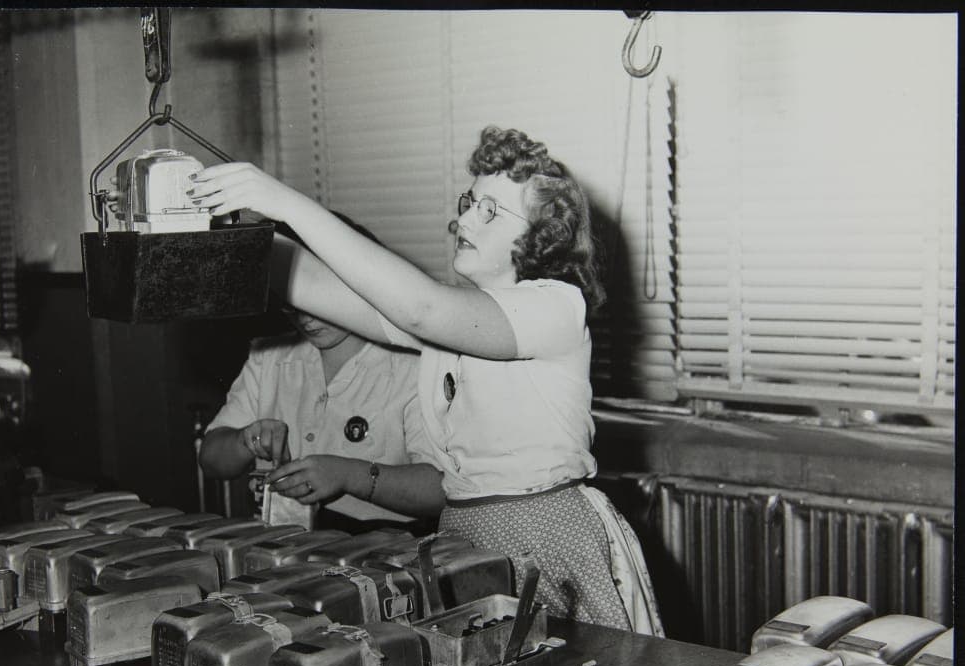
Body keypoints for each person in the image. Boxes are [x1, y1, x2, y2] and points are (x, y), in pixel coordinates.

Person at [190, 125, 663, 634]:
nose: (464, 219)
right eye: (469, 203)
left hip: (546, 540)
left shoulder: (555, 306)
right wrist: (232, 230)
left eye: (490, 211)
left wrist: (284, 202)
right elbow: (322, 289)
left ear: (541, 236)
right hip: (467, 535)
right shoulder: (457, 318)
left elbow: (420, 308)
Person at [198, 301, 445, 532]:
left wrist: (348, 475)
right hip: (282, 539)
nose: (307, 320)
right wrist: (246, 440)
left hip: (384, 545)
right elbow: (210, 459)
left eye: (319, 303)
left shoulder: (412, 366)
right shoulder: (269, 357)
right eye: (293, 307)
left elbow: (440, 491)